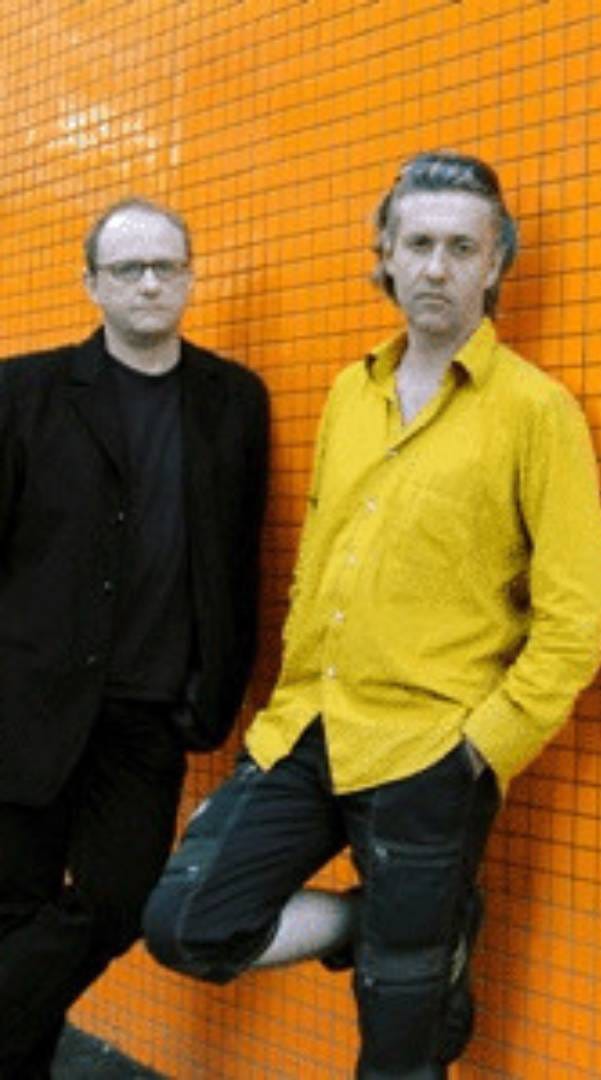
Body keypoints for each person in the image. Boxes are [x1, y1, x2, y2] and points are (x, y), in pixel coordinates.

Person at [144, 151, 601, 1078]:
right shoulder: (348, 392)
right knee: (186, 923)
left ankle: (416, 939)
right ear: (388, 257)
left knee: (402, 1043)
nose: (437, 267)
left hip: (429, 753)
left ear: (495, 264)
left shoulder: (536, 411)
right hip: (307, 729)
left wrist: (482, 746)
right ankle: (385, 924)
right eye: (419, 244)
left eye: (461, 248)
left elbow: (582, 611)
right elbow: (322, 558)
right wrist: (281, 711)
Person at [0, 198, 269, 1078]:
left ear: (190, 276)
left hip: (149, 712)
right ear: (91, 284)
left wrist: (214, 690)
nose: (150, 284)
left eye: (166, 267)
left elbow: (238, 551)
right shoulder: (22, 394)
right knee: (16, 911)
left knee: (118, 904)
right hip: (26, 704)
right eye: (128, 269)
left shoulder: (233, 401)